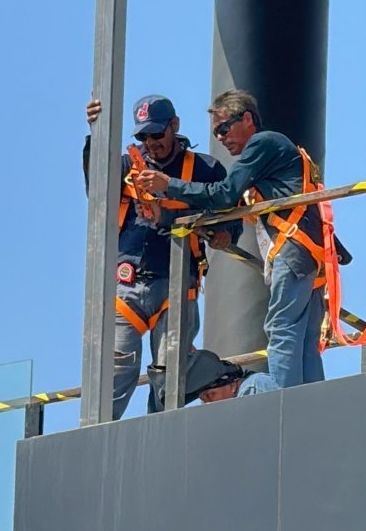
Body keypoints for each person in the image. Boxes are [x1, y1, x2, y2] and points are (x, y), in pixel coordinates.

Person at [135, 89, 327, 390]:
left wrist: (168, 185)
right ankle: (313, 401)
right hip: (308, 255)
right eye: (216, 133)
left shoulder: (263, 143)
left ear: (247, 119)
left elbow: (225, 194)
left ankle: (270, 396)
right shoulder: (276, 150)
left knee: (282, 327)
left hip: (293, 252)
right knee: (303, 338)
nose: (221, 138)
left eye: (224, 128)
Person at [84, 94, 239, 419]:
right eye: (143, 136)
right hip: (127, 285)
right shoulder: (128, 166)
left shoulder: (204, 168)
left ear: (174, 126)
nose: (151, 143)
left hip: (178, 285)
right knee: (117, 369)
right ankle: (95, 436)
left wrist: (227, 233)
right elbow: (96, 184)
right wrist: (95, 132)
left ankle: (161, 430)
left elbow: (230, 213)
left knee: (170, 376)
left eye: (157, 134)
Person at [147, 349, 279, 408]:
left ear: (232, 386)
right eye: (204, 399)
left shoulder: (252, 388)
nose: (208, 404)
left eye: (210, 395)